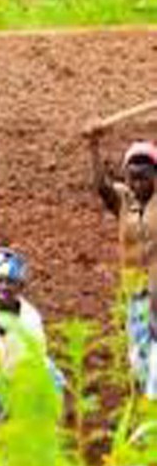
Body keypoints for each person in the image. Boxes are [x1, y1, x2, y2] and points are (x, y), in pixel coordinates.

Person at [85, 125, 157, 399]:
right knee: (139, 358)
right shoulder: (125, 201)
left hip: (156, 292)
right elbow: (102, 187)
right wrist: (93, 146)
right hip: (134, 290)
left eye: (145, 178)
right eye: (133, 177)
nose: (138, 184)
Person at [0, 248, 64, 420]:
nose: (3, 287)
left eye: (10, 282)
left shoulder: (30, 320)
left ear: (21, 286)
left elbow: (32, 367)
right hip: (2, 378)